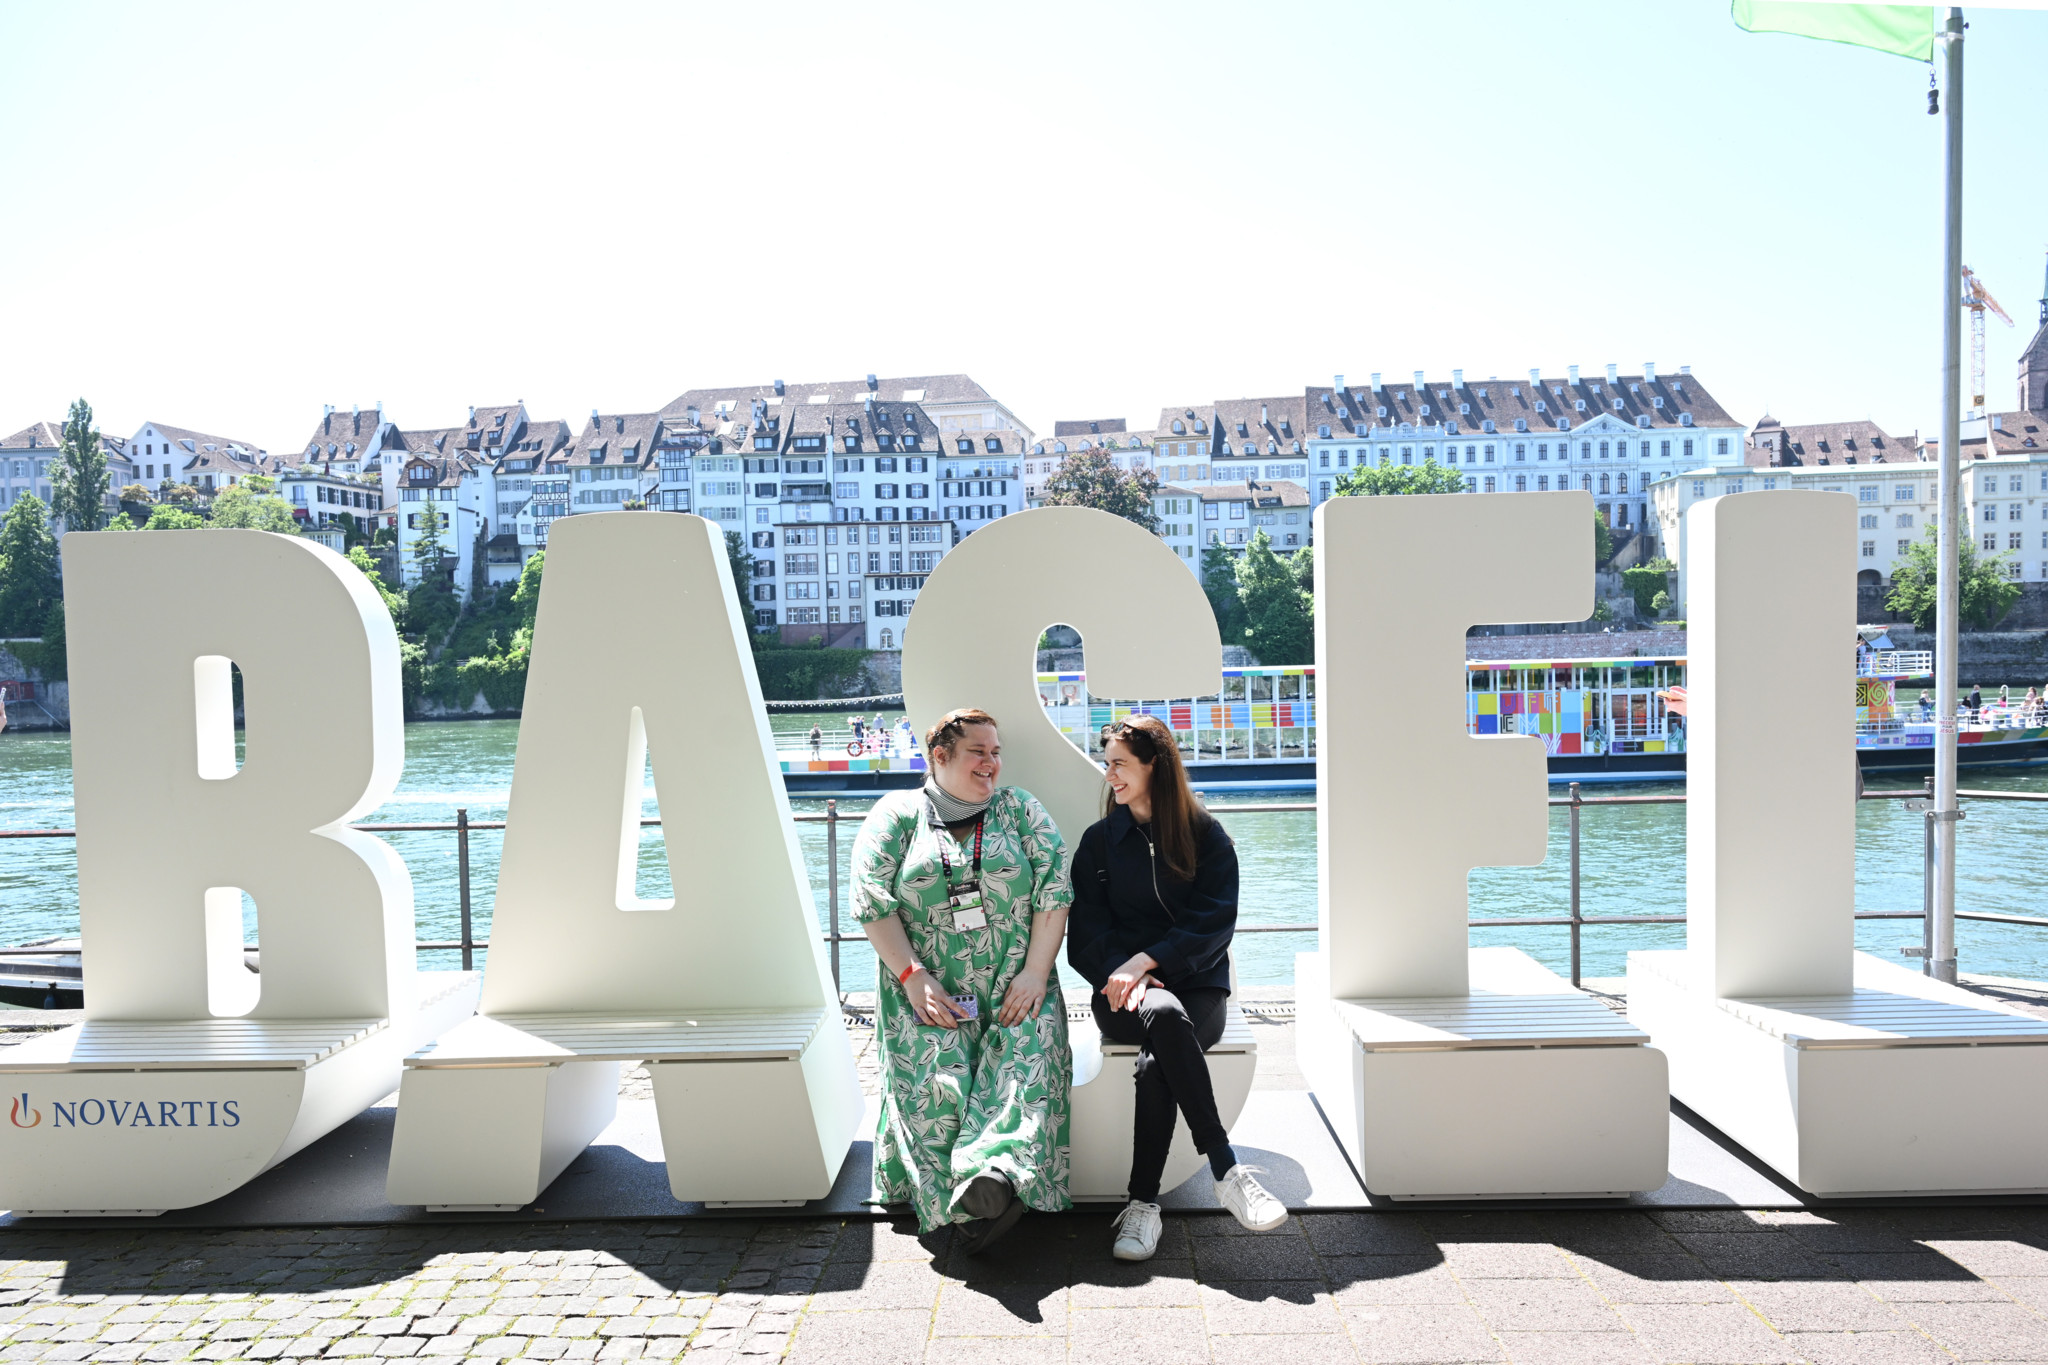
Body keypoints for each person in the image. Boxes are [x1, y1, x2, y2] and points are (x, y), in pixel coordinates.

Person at [1067, 715, 1287, 1262]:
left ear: (1154, 767)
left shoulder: (1205, 836)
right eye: (1107, 762)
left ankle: (1142, 1206)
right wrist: (1124, 971)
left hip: (1199, 987)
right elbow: (1088, 932)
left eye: (1119, 763)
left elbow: (1216, 922)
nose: (1109, 774)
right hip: (1122, 995)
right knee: (1162, 1017)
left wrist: (1150, 959)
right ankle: (1226, 1169)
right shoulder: (1099, 843)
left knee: (1156, 1060)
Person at [851, 708, 1072, 1252]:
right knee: (936, 1088)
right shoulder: (897, 816)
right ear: (941, 757)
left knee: (1027, 1069)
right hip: (926, 996)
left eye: (996, 753)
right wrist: (912, 976)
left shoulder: (1020, 810)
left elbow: (1054, 892)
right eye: (979, 752)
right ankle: (979, 1201)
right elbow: (870, 901)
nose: (992, 764)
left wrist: (1036, 973)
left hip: (1016, 988)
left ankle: (991, 1183)